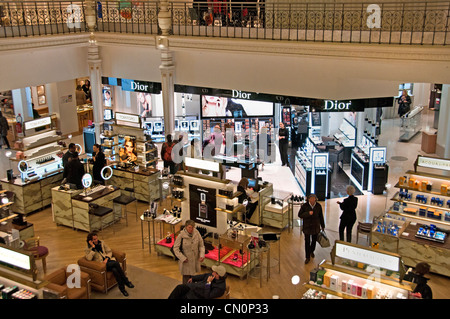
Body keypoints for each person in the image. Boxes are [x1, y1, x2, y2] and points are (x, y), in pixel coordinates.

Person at [85, 231, 134, 297]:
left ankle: (122, 289)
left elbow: (109, 251)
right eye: (94, 239)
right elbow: (89, 258)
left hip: (108, 261)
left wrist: (107, 258)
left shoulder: (102, 243)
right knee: (116, 264)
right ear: (90, 241)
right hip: (101, 265)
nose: (96, 240)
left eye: (96, 238)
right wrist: (93, 248)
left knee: (115, 270)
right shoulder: (88, 249)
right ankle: (126, 281)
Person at [172, 220, 205, 284]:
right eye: (189, 227)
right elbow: (175, 248)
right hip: (186, 262)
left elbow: (201, 245)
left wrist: (201, 255)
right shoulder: (181, 235)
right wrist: (182, 258)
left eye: (192, 227)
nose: (191, 229)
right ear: (186, 227)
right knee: (186, 280)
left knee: (194, 279)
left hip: (195, 261)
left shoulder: (197, 233)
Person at [298, 194, 325, 264]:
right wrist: (308, 213)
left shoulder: (318, 206)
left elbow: (321, 216)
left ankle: (311, 251)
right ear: (308, 199)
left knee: (314, 241)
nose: (312, 200)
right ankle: (307, 257)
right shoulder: (304, 206)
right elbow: (300, 215)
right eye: (311, 199)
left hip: (315, 226)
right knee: (307, 242)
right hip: (307, 227)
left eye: (314, 199)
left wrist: (323, 225)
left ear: (316, 199)